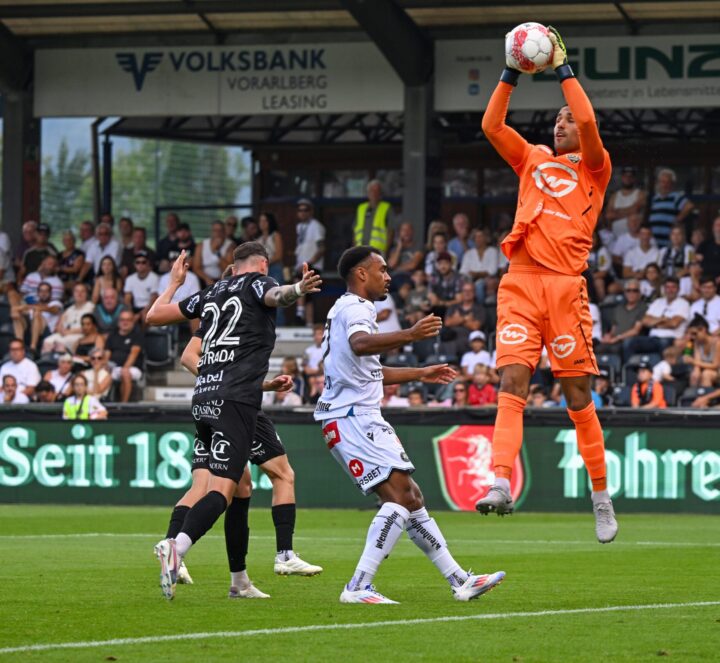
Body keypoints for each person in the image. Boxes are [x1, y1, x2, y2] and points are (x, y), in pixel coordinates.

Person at [476, 27, 617, 543]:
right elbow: (492, 124)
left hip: (564, 287)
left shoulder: (595, 170)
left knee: (577, 396)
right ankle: (499, 483)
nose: (561, 123)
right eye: (555, 119)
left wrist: (563, 69)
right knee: (512, 385)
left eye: (566, 120)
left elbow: (584, 116)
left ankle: (600, 497)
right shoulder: (531, 158)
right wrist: (511, 72)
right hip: (519, 283)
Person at [315, 245, 505, 604]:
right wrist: (411, 335)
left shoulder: (346, 309)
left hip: (355, 415)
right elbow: (360, 345)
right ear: (361, 274)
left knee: (412, 498)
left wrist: (421, 373)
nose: (388, 276)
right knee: (401, 499)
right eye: (382, 270)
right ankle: (358, 585)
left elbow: (370, 371)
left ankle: (459, 579)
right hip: (353, 418)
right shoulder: (356, 308)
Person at [150, 244, 322, 600]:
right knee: (223, 490)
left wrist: (174, 282)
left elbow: (154, 317)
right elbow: (276, 295)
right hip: (235, 404)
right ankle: (176, 547)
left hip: (204, 400)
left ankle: (239, 581)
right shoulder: (257, 283)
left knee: (242, 486)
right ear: (262, 264)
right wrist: (299, 290)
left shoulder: (210, 293)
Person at [627, 276, 690, 356]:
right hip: (652, 338)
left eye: (673, 287)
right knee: (629, 342)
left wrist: (654, 323)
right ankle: (629, 368)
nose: (670, 290)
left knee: (663, 343)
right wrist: (662, 319)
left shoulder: (683, 303)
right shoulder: (657, 302)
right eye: (667, 287)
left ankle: (661, 368)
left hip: (670, 338)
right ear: (664, 289)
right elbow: (645, 321)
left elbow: (674, 324)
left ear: (678, 289)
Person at [597, 279, 647, 360]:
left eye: (635, 290)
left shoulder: (643, 308)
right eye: (628, 290)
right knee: (599, 348)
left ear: (639, 293)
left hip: (629, 340)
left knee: (618, 348)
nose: (631, 293)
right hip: (615, 339)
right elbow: (614, 328)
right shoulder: (618, 308)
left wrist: (618, 338)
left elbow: (636, 330)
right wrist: (608, 336)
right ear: (625, 293)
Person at [294, 199, 325, 325]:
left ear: (311, 211)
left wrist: (311, 262)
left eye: (305, 210)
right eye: (300, 210)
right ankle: (309, 323)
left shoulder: (316, 226)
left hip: (312, 264)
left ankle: (300, 312)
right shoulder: (299, 227)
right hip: (301, 264)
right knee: (308, 296)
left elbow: (322, 248)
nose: (302, 213)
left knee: (300, 283)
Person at [41, 283, 95, 354]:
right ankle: (46, 363)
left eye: (82, 291)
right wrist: (61, 330)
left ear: (86, 294)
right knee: (47, 341)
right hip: (65, 334)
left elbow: (90, 327)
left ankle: (62, 363)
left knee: (61, 343)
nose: (79, 294)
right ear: (73, 294)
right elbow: (59, 326)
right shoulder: (69, 309)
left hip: (80, 335)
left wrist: (69, 332)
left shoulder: (91, 307)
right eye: (77, 291)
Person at [11, 281, 63, 353]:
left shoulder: (55, 303)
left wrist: (28, 307)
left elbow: (54, 310)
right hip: (31, 330)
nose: (43, 293)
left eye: (46, 291)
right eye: (41, 291)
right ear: (38, 293)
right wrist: (16, 311)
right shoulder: (34, 306)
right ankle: (20, 345)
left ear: (50, 293)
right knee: (18, 317)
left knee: (37, 313)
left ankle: (33, 347)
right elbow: (21, 311)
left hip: (46, 332)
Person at [648, 168, 694, 248]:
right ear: (658, 183)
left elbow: (690, 206)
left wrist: (678, 219)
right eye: (662, 182)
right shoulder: (655, 199)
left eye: (667, 182)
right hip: (654, 243)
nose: (664, 185)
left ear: (672, 184)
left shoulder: (675, 197)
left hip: (669, 244)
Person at [104, 311, 144, 402]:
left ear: (132, 321)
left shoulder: (137, 334)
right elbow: (107, 353)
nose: (125, 322)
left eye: (128, 320)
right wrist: (105, 366)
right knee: (102, 373)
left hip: (133, 368)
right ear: (118, 322)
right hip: (114, 367)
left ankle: (123, 405)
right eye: (122, 320)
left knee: (125, 373)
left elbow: (133, 354)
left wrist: (125, 368)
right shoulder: (112, 335)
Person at [354, 179, 395, 255]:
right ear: (368, 193)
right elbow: (355, 230)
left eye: (377, 191)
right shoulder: (361, 208)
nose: (374, 193)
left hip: (377, 251)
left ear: (380, 194)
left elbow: (391, 231)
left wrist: (386, 251)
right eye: (372, 191)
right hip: (360, 250)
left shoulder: (386, 207)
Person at [604, 166, 646, 239]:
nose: (628, 178)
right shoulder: (615, 196)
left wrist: (616, 212)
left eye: (630, 176)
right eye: (625, 176)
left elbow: (635, 210)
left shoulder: (640, 194)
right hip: (616, 236)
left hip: (634, 238)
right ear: (622, 177)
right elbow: (608, 215)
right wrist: (630, 211)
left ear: (634, 178)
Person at [444, 281, 485, 352]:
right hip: (451, 339)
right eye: (465, 290)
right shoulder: (453, 307)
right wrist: (465, 319)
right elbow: (447, 323)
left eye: (470, 291)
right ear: (462, 293)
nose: (467, 293)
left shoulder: (479, 309)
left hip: (469, 342)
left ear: (474, 293)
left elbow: (475, 326)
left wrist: (457, 319)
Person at [192, 220, 233, 287]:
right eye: (215, 230)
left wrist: (217, 252)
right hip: (204, 281)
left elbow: (228, 269)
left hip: (223, 281)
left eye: (220, 230)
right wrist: (207, 279)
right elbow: (196, 267)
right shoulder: (201, 245)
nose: (218, 233)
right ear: (211, 232)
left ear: (224, 232)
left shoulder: (230, 246)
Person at [123, 251, 159, 325]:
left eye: (143, 262)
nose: (140, 264)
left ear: (148, 263)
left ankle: (142, 336)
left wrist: (139, 314)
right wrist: (131, 313)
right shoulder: (130, 279)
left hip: (150, 308)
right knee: (126, 316)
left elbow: (153, 299)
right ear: (134, 264)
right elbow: (127, 299)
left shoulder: (154, 278)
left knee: (145, 317)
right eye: (138, 262)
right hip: (134, 308)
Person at [686, 316, 719, 388]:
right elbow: (698, 361)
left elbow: (715, 365)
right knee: (694, 374)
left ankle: (705, 397)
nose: (692, 337)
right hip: (706, 368)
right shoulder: (697, 342)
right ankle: (693, 396)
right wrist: (696, 371)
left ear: (703, 330)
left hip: (717, 370)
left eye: (694, 333)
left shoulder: (717, 343)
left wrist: (693, 362)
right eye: (691, 334)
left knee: (706, 374)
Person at [257, 212, 284, 285]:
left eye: (265, 221)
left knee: (276, 291)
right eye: (260, 221)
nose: (262, 223)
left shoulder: (275, 235)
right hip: (263, 269)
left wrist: (266, 262)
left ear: (270, 222)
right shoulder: (258, 239)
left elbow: (279, 255)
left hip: (275, 267)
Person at [696, 215, 720, 283]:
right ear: (713, 228)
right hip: (705, 280)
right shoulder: (705, 244)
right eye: (717, 225)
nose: (719, 228)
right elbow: (695, 261)